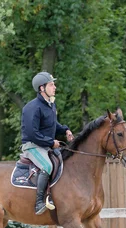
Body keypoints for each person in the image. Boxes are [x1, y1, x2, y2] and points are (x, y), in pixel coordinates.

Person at [21, 72, 74, 215]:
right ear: (41, 88)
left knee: (64, 161)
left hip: (45, 145)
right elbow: (33, 133)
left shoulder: (50, 105)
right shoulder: (32, 107)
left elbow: (53, 125)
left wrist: (66, 130)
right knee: (47, 166)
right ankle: (39, 203)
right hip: (32, 146)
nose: (54, 87)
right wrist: (51, 143)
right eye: (51, 85)